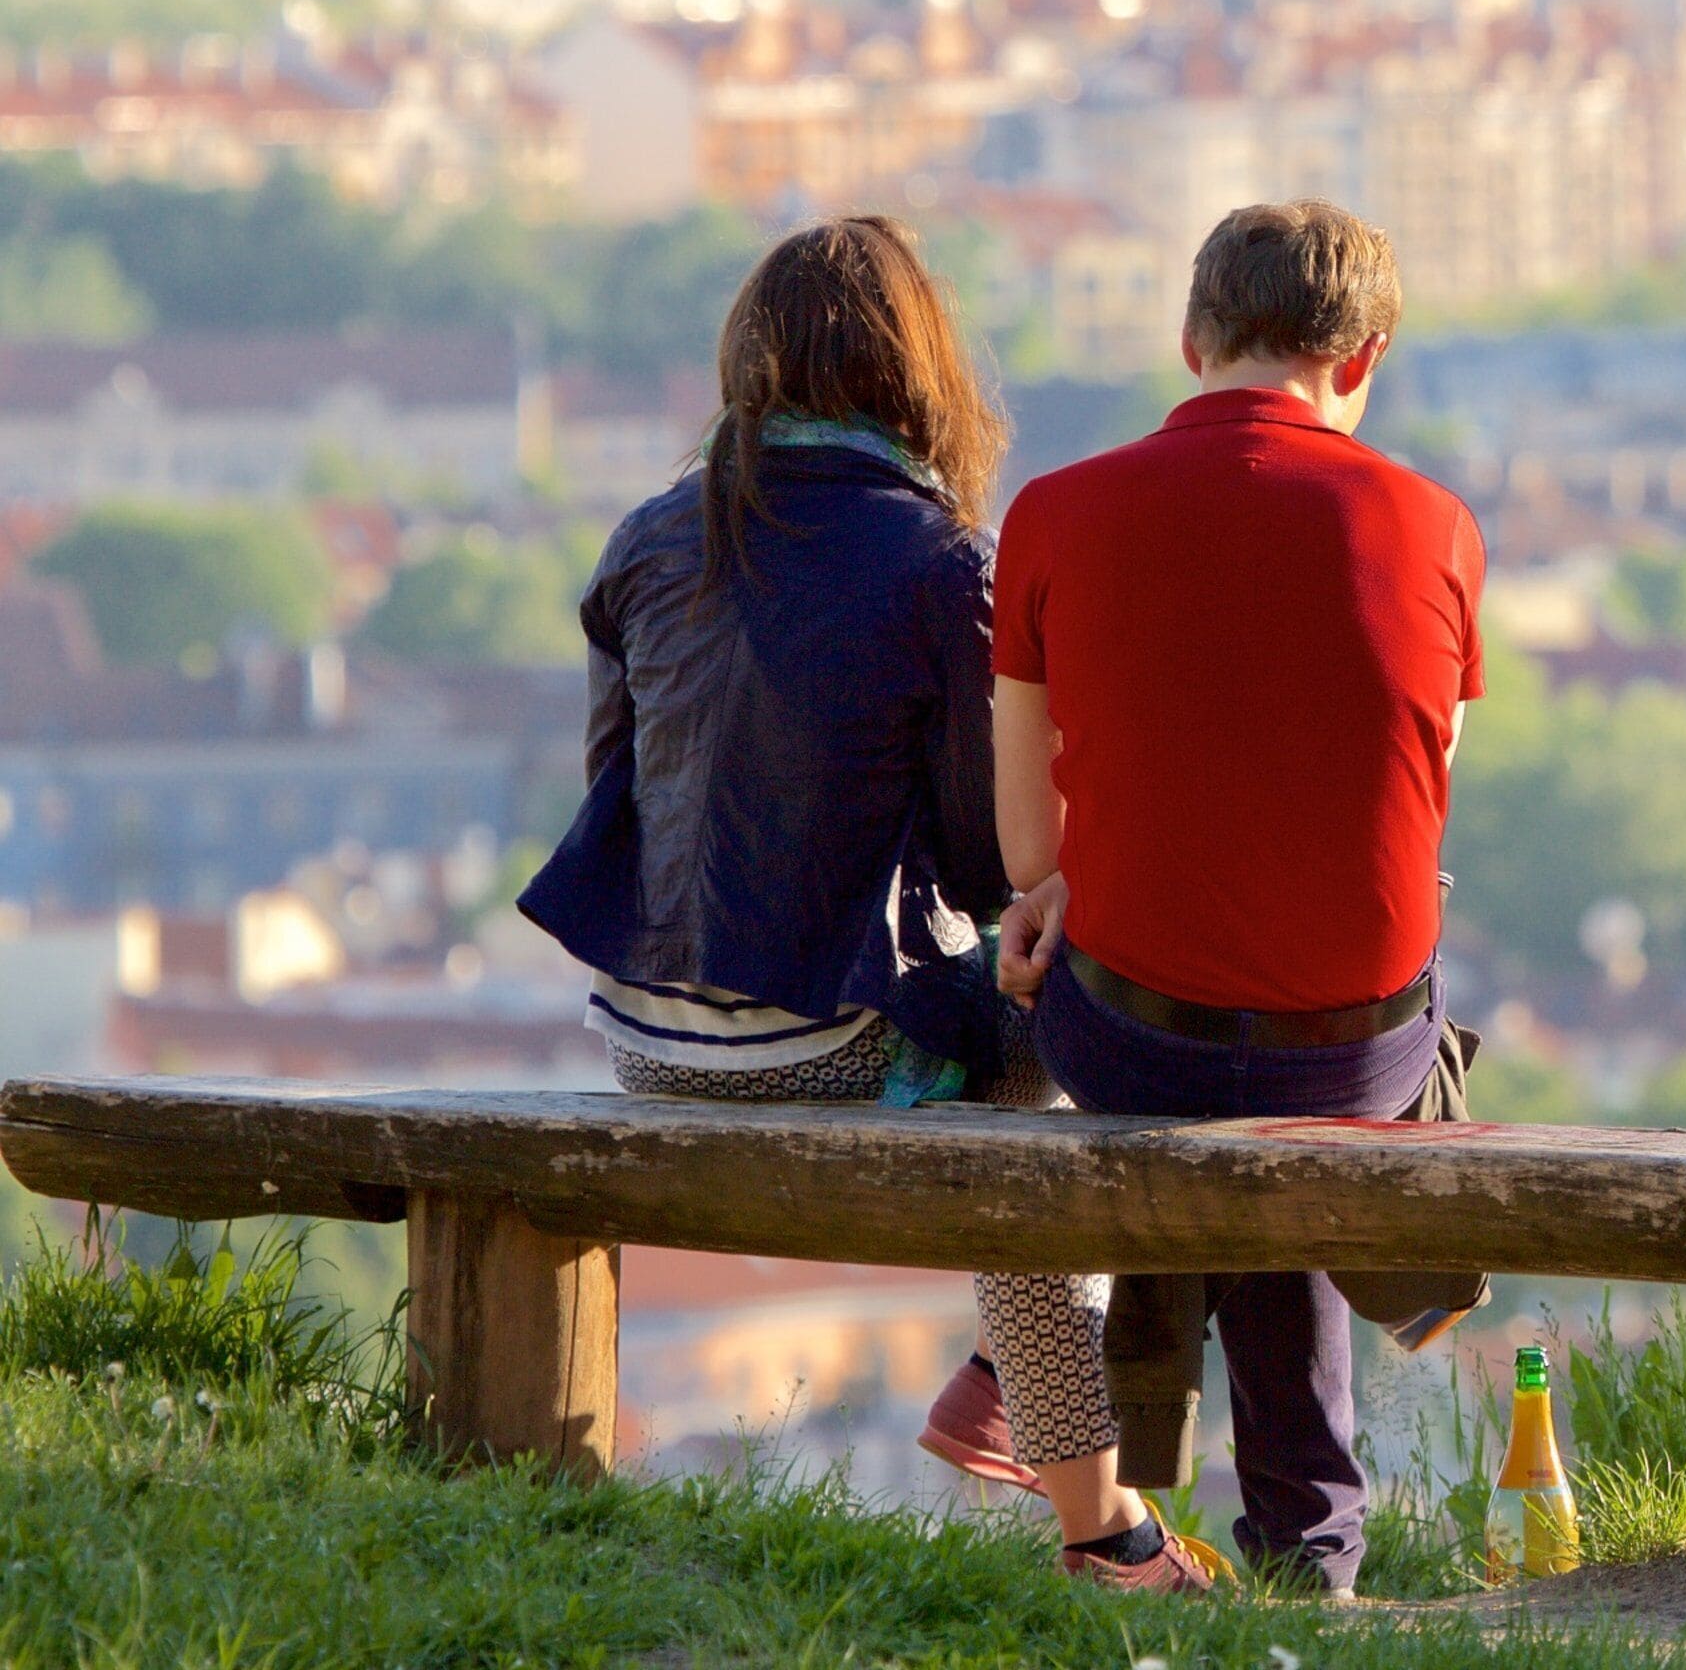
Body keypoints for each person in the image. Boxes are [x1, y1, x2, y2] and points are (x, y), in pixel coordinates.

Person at [516, 215, 1216, 1594]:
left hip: (648, 1042)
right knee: (1071, 1057)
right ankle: (1093, 1517)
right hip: (816, 1049)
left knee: (1025, 1071)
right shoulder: (943, 563)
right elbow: (982, 862)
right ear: (920, 372)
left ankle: (1017, 1393)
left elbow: (622, 800)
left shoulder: (651, 536)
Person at [989, 198, 1486, 1597]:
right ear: (1367, 355)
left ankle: (1136, 1491)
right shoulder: (1438, 526)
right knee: (1302, 1073)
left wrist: (1086, 883)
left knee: (1187, 1050)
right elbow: (1418, 820)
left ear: (1191, 337)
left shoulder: (1053, 513)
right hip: (1361, 1044)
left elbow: (1031, 852)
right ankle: (1309, 1539)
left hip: (1127, 1035)